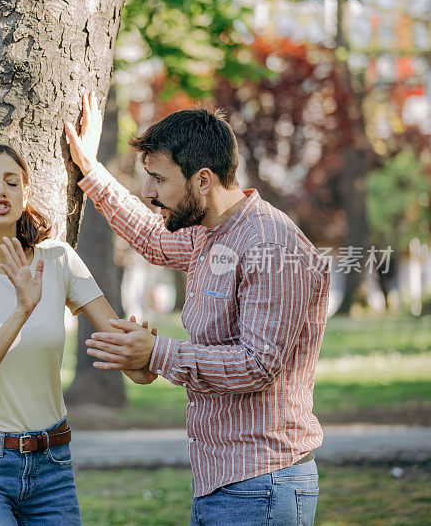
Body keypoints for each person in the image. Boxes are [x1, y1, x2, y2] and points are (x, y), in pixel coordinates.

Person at [64, 92, 330, 525]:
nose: (149, 192)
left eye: (159, 179)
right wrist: (91, 170)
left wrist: (155, 354)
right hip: (223, 481)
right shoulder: (211, 231)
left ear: (202, 180)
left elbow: (258, 364)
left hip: (263, 485)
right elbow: (151, 237)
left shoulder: (270, 246)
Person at [0, 142, 147, 525]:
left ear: (25, 194)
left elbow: (137, 369)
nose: (1, 191)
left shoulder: (58, 259)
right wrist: (22, 310)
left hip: (51, 465)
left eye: (12, 182)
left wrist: (143, 352)